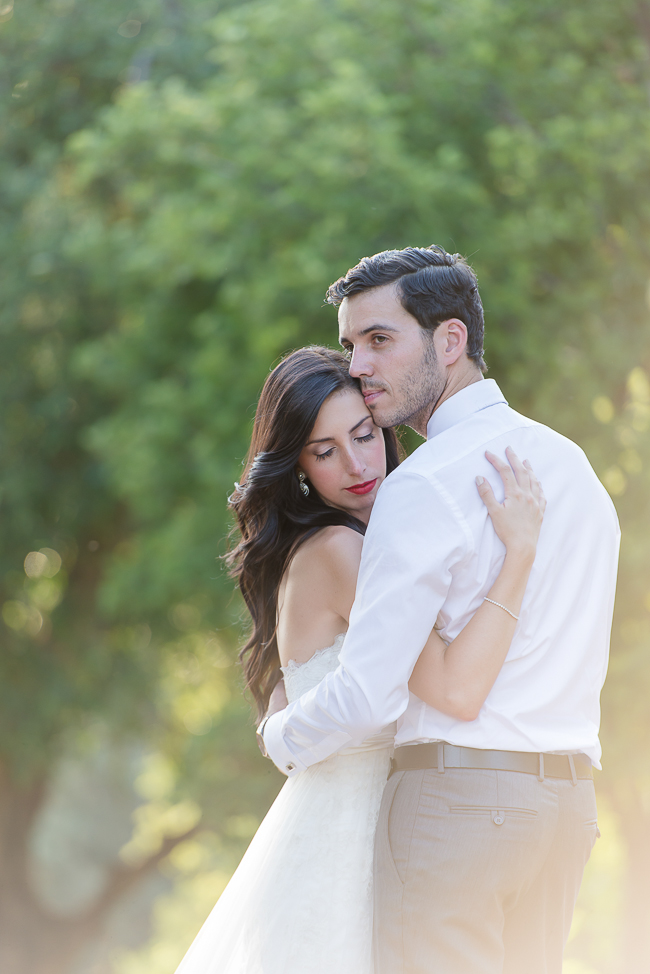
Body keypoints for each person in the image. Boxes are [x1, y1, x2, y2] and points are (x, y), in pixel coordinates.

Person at [260, 247, 621, 974]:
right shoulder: (575, 470)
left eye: (379, 340)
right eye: (350, 345)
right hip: (566, 812)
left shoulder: (422, 484)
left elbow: (367, 696)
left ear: (449, 341)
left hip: (457, 809)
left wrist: (281, 736)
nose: (359, 366)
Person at [174, 345, 546, 974]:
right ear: (296, 467)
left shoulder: (343, 543)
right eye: (324, 451)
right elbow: (455, 689)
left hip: (350, 828)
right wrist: (519, 556)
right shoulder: (343, 551)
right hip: (349, 844)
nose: (356, 464)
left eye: (365, 434)